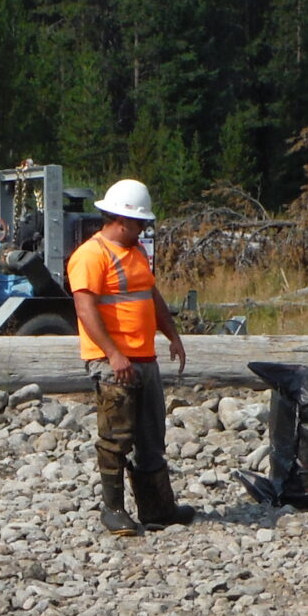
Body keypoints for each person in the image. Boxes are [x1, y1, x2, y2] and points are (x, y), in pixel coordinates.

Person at [68, 178, 193, 536]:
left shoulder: (136, 252)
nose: (144, 229)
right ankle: (113, 510)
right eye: (140, 223)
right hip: (113, 361)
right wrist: (113, 354)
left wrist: (171, 334)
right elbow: (85, 308)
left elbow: (150, 296)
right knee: (116, 437)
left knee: (152, 435)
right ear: (122, 219)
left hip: (144, 356)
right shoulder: (91, 256)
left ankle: (158, 510)